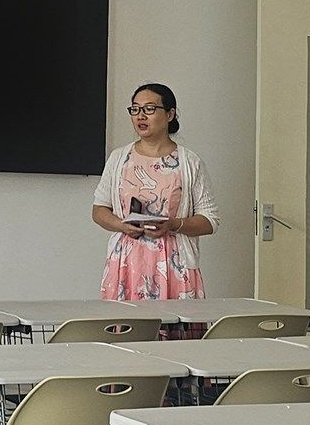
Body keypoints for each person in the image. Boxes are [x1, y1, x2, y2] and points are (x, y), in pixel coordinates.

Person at [93, 82, 220, 301]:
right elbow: (99, 210)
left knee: (176, 323)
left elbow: (210, 221)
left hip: (175, 267)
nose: (140, 116)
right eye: (135, 109)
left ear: (170, 114)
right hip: (125, 265)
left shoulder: (190, 162)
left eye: (149, 109)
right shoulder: (119, 158)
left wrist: (173, 224)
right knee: (125, 322)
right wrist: (121, 225)